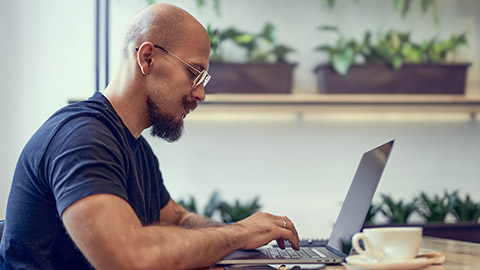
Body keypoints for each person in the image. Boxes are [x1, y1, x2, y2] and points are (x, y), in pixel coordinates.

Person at [0, 3, 299, 269]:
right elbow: (129, 258)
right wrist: (238, 234)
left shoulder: (136, 148)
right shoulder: (82, 138)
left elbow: (180, 219)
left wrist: (247, 235)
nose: (201, 93)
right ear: (147, 58)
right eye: (194, 73)